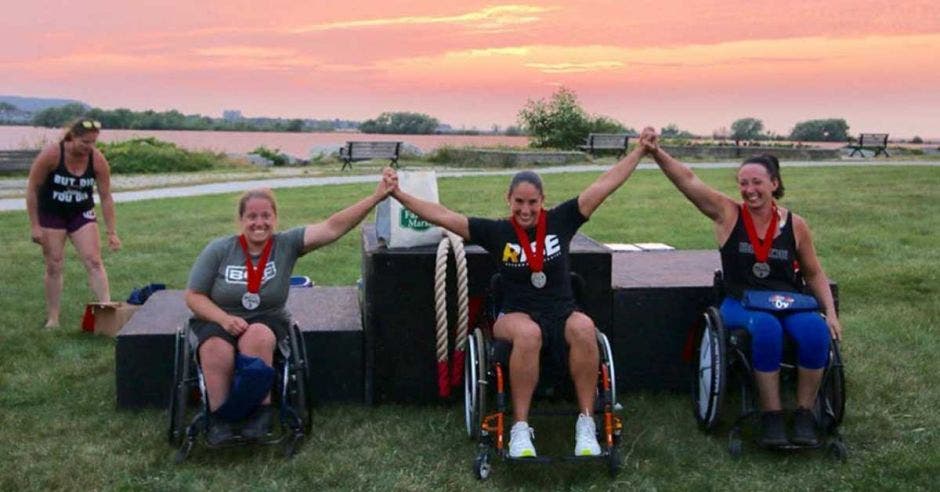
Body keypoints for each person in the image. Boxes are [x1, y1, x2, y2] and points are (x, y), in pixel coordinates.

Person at [387, 139, 649, 458]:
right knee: (529, 334)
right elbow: (444, 215)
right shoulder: (497, 232)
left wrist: (638, 151)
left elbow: (603, 185)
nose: (526, 210)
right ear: (508, 200)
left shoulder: (562, 220)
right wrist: (398, 194)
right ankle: (520, 428)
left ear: (543, 201)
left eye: (532, 203)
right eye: (519, 202)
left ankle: (586, 422)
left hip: (562, 310)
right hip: (515, 315)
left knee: (585, 328)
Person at [640, 130, 842, 447]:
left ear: (774, 184)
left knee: (815, 331)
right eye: (743, 183)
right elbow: (689, 181)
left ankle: (804, 413)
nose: (749, 190)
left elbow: (814, 273)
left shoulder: (796, 225)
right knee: (766, 329)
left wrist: (830, 313)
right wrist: (656, 152)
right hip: (740, 302)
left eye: (757, 182)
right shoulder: (728, 214)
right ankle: (772, 416)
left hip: (788, 301)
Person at [186, 171, 395, 445]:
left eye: (265, 216)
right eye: (252, 216)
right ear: (241, 220)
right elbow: (194, 296)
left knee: (258, 335)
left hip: (268, 319)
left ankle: (259, 413)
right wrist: (224, 320)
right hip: (218, 318)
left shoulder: (286, 244)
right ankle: (220, 417)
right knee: (214, 347)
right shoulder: (219, 249)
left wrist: (375, 197)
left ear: (275, 218)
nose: (259, 222)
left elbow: (333, 227)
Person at [26, 118, 121, 328]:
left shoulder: (97, 160)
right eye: (85, 142)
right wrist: (35, 225)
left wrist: (111, 232)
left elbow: (105, 197)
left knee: (94, 261)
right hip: (52, 214)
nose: (89, 147)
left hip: (81, 213)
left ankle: (106, 313)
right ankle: (53, 319)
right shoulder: (52, 154)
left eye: (93, 142)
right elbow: (32, 188)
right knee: (54, 264)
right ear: (72, 137)